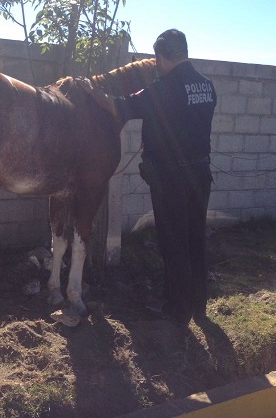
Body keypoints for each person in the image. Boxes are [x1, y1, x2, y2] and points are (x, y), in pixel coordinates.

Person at [80, 29, 217, 326]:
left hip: (171, 177)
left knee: (173, 242)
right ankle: (198, 304)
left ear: (161, 57)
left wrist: (93, 92)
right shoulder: (207, 86)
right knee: (195, 238)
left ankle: (177, 309)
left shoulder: (163, 88)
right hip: (200, 173)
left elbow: (119, 106)